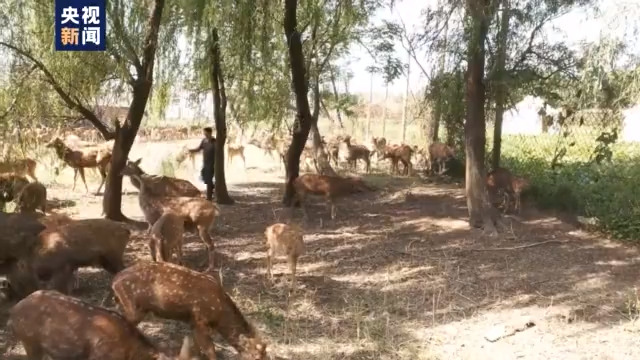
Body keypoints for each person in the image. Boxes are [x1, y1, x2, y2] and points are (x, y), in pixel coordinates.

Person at [189, 127, 216, 201]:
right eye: (204, 133)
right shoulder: (204, 141)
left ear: (210, 133)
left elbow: (218, 153)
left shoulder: (214, 142)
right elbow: (199, 149)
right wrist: (192, 150)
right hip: (205, 162)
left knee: (209, 179)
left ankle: (209, 197)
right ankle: (213, 187)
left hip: (212, 163)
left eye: (206, 133)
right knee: (204, 177)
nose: (205, 134)